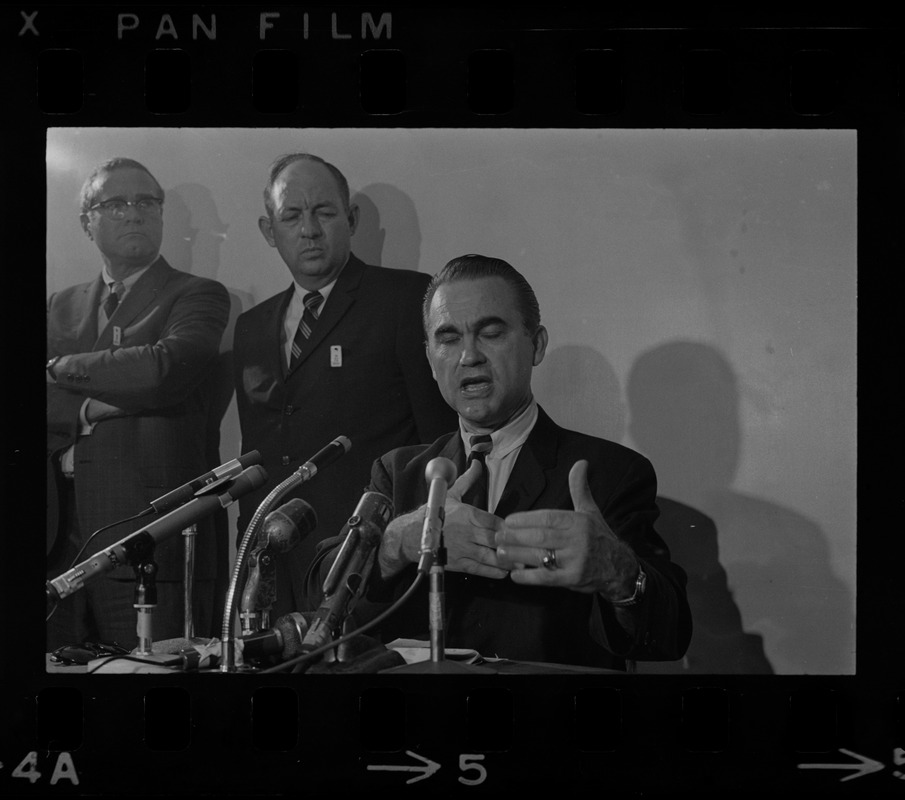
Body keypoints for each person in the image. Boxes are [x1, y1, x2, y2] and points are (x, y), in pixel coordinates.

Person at [305, 255, 692, 670]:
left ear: (536, 344)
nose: (469, 355)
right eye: (449, 338)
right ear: (430, 360)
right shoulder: (400, 472)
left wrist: (617, 571)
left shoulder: (609, 474)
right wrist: (399, 540)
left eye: (490, 333)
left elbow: (669, 637)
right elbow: (321, 595)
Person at [233, 153, 456, 620]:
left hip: (368, 562)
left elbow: (440, 444)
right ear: (268, 230)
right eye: (291, 216)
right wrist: (250, 551)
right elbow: (258, 449)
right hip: (272, 565)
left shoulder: (405, 299)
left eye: (324, 212)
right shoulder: (252, 326)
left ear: (350, 219)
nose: (309, 230)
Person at [46, 157, 231, 652]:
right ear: (88, 221)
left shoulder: (198, 296)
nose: (134, 213)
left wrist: (58, 369)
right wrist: (86, 409)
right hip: (56, 538)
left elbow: (161, 370)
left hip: (150, 544)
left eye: (147, 202)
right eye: (117, 203)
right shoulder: (56, 305)